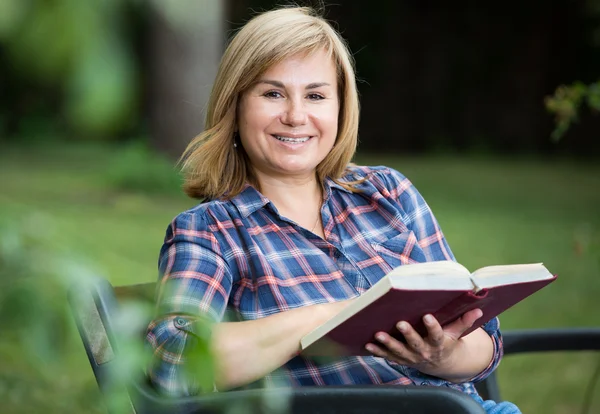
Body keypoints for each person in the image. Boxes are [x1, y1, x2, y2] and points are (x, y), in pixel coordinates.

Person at [146, 6, 521, 413]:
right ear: (235, 107)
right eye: (272, 93)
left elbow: (485, 342)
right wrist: (331, 316)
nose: (295, 116)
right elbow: (175, 363)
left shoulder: (387, 192)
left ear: (340, 109)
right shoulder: (211, 231)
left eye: (316, 95)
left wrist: (442, 357)